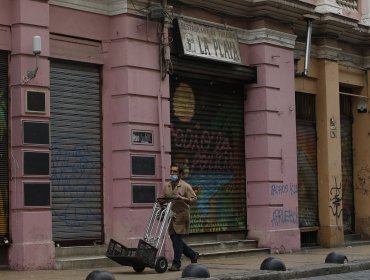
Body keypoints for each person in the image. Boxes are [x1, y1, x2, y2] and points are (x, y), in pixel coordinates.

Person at [160, 163, 199, 271]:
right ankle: (192, 255)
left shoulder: (185, 186)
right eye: (171, 171)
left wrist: (182, 198)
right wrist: (160, 201)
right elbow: (163, 198)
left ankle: (176, 264)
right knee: (175, 240)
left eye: (175, 172)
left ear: (180, 174)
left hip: (182, 216)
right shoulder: (167, 185)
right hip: (171, 216)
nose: (172, 173)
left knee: (177, 239)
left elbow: (194, 199)